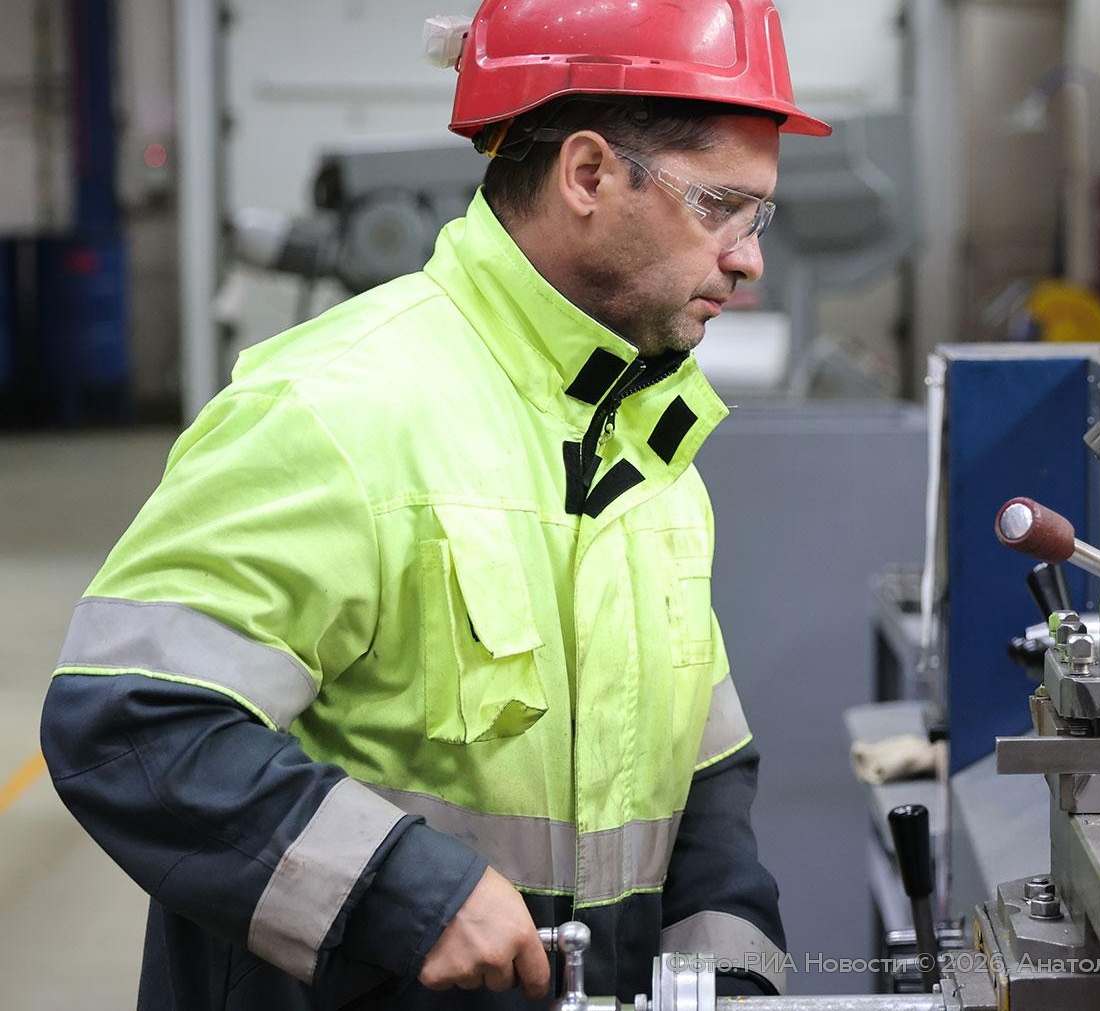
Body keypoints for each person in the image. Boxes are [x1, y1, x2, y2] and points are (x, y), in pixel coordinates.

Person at [39, 1, 831, 1006]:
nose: (748, 256)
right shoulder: (337, 407)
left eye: (758, 216)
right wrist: (406, 892)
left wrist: (728, 970)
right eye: (720, 204)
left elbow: (704, 767)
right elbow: (131, 717)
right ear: (589, 175)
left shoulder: (651, 443)